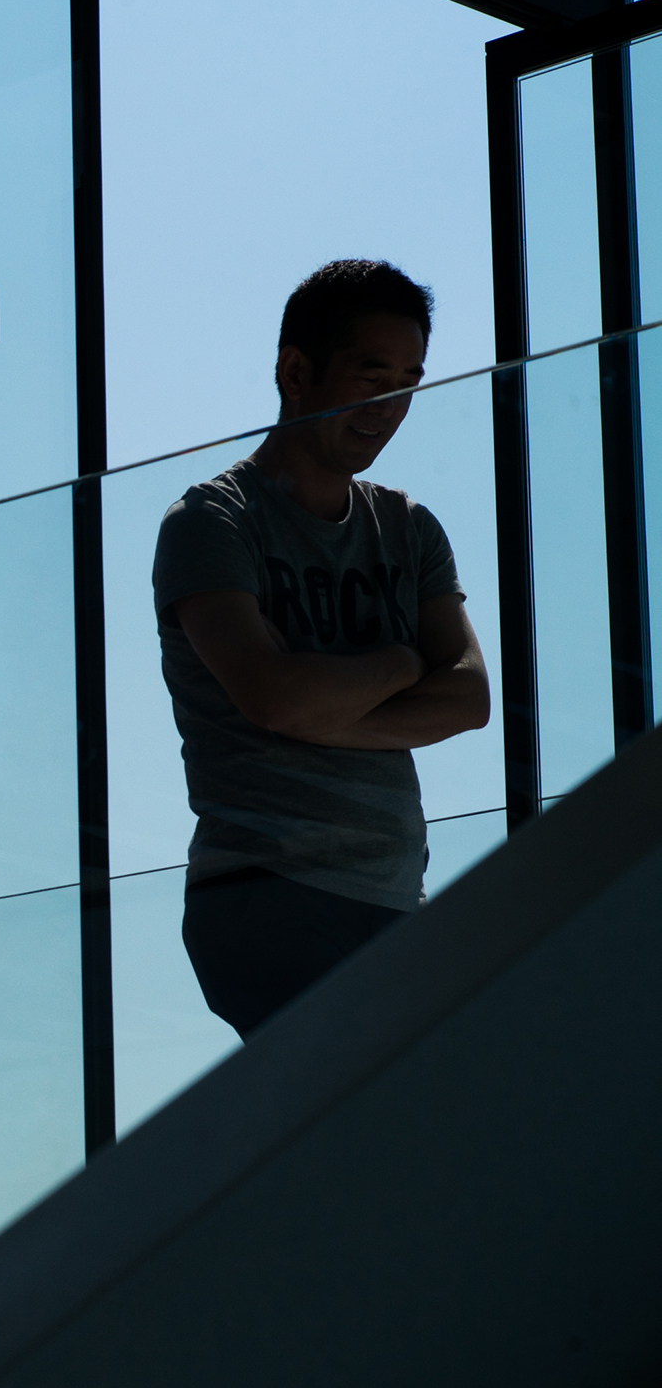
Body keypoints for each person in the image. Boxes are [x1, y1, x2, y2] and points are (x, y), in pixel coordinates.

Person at [153, 259, 491, 1038]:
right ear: (295, 371)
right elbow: (273, 698)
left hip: (394, 896)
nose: (392, 404)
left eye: (409, 378)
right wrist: (400, 663)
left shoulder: (408, 528)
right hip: (262, 895)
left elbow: (469, 699)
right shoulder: (211, 523)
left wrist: (315, 709)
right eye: (370, 375)